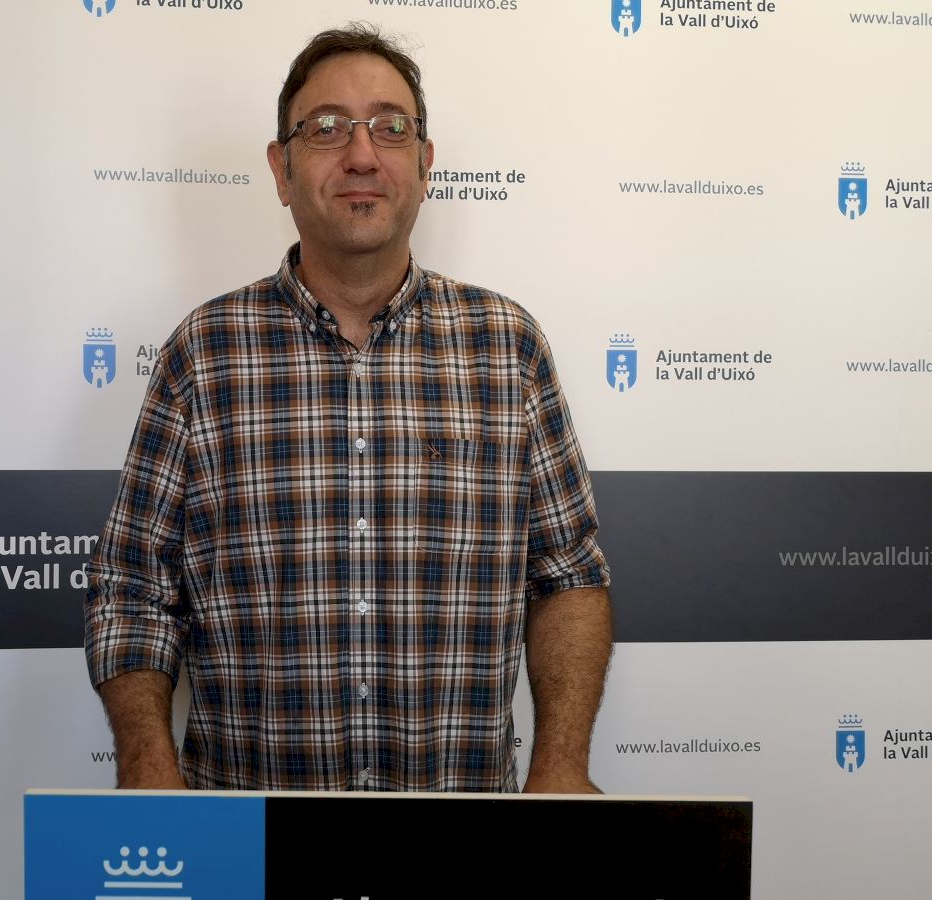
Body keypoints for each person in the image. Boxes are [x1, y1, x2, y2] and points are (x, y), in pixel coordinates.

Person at [85, 23, 612, 794]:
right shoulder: (204, 354)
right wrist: (146, 765)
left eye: (391, 128)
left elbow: (567, 575)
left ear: (425, 165)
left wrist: (561, 764)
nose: (362, 155)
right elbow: (131, 588)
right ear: (281, 168)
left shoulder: (508, 348)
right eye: (328, 127)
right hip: (252, 838)